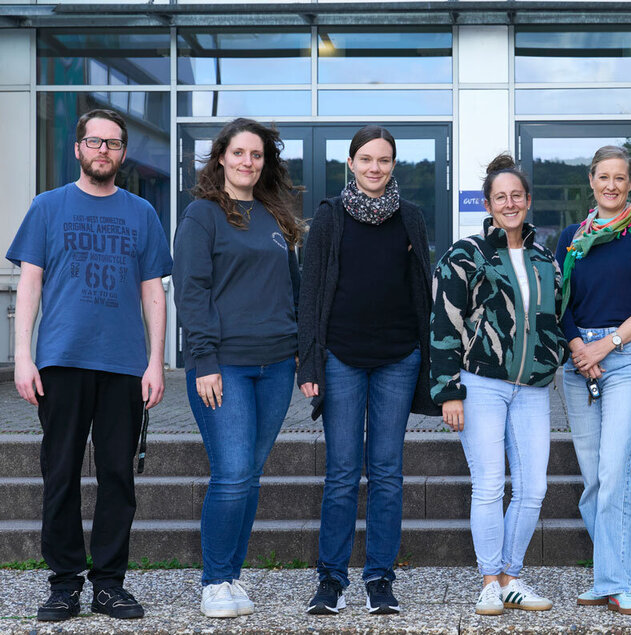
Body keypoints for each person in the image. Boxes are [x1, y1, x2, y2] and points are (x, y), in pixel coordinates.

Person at [7, 109, 171, 622]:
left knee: (118, 477)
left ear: (124, 154)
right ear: (78, 148)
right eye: (95, 141)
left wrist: (156, 363)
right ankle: (63, 584)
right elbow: (28, 286)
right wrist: (23, 357)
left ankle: (108, 584)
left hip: (124, 366)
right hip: (60, 360)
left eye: (114, 143)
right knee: (60, 475)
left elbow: (154, 295)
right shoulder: (46, 207)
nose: (104, 150)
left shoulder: (142, 213)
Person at [298, 125, 439, 616]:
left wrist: (433, 359)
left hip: (399, 359)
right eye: (366, 159)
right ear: (351, 163)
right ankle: (331, 579)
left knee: (386, 472)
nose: (375, 168)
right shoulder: (329, 217)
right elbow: (311, 293)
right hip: (341, 359)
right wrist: (310, 361)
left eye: (384, 160)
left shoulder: (412, 219)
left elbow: (424, 291)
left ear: (393, 165)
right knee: (340, 473)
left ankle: (379, 577)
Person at [173, 118, 302, 619]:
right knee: (230, 473)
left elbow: (292, 290)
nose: (248, 162)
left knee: (250, 475)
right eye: (240, 153)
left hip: (275, 368)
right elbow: (192, 292)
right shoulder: (202, 215)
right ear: (221, 157)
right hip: (223, 366)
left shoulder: (274, 216)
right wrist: (202, 360)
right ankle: (214, 580)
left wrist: (298, 352)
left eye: (257, 155)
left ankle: (233, 575)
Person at [430, 153, 566, 616]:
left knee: (533, 488)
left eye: (516, 196)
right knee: (488, 485)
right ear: (488, 204)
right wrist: (448, 390)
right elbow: (444, 324)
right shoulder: (466, 254)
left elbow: (554, 319)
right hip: (481, 384)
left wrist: (555, 358)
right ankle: (489, 580)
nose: (509, 203)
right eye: (500, 197)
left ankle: (512, 576)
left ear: (527, 201)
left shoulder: (545, 258)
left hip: (531, 389)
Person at [555, 145, 631, 616]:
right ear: (591, 180)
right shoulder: (569, 237)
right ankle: (608, 574)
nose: (612, 185)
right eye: (604, 177)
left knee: (613, 473)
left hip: (625, 358)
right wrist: (578, 346)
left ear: (629, 183)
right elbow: (556, 301)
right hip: (578, 363)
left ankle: (620, 582)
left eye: (620, 178)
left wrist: (609, 344)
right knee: (593, 481)